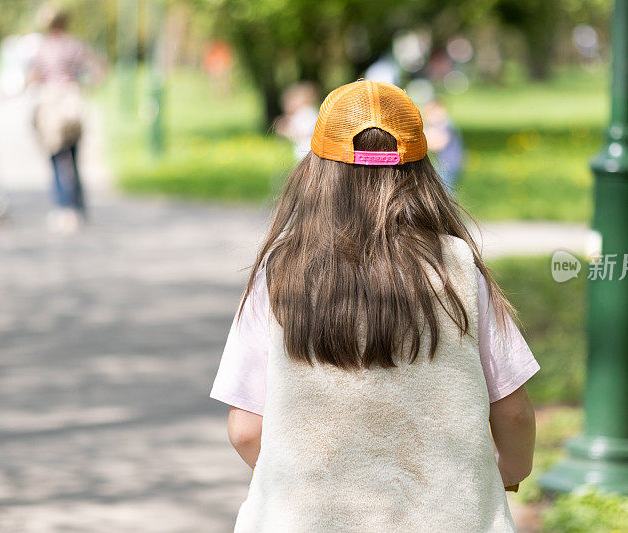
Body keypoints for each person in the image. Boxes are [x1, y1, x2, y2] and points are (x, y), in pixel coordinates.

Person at [210, 80, 539, 532]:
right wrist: (508, 473)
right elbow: (514, 412)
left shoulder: (281, 269)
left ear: (315, 169)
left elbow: (246, 429)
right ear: (423, 170)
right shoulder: (458, 268)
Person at [27, 4, 104, 233]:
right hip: (73, 104)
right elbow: (100, 67)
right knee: (73, 157)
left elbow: (34, 76)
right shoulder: (75, 46)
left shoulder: (43, 48)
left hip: (52, 107)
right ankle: (79, 208)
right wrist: (87, 84)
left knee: (56, 158)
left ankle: (64, 207)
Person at [273, 82, 319, 160]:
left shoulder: (305, 112)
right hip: (306, 153)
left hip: (308, 152)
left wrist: (286, 132)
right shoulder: (304, 113)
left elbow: (303, 132)